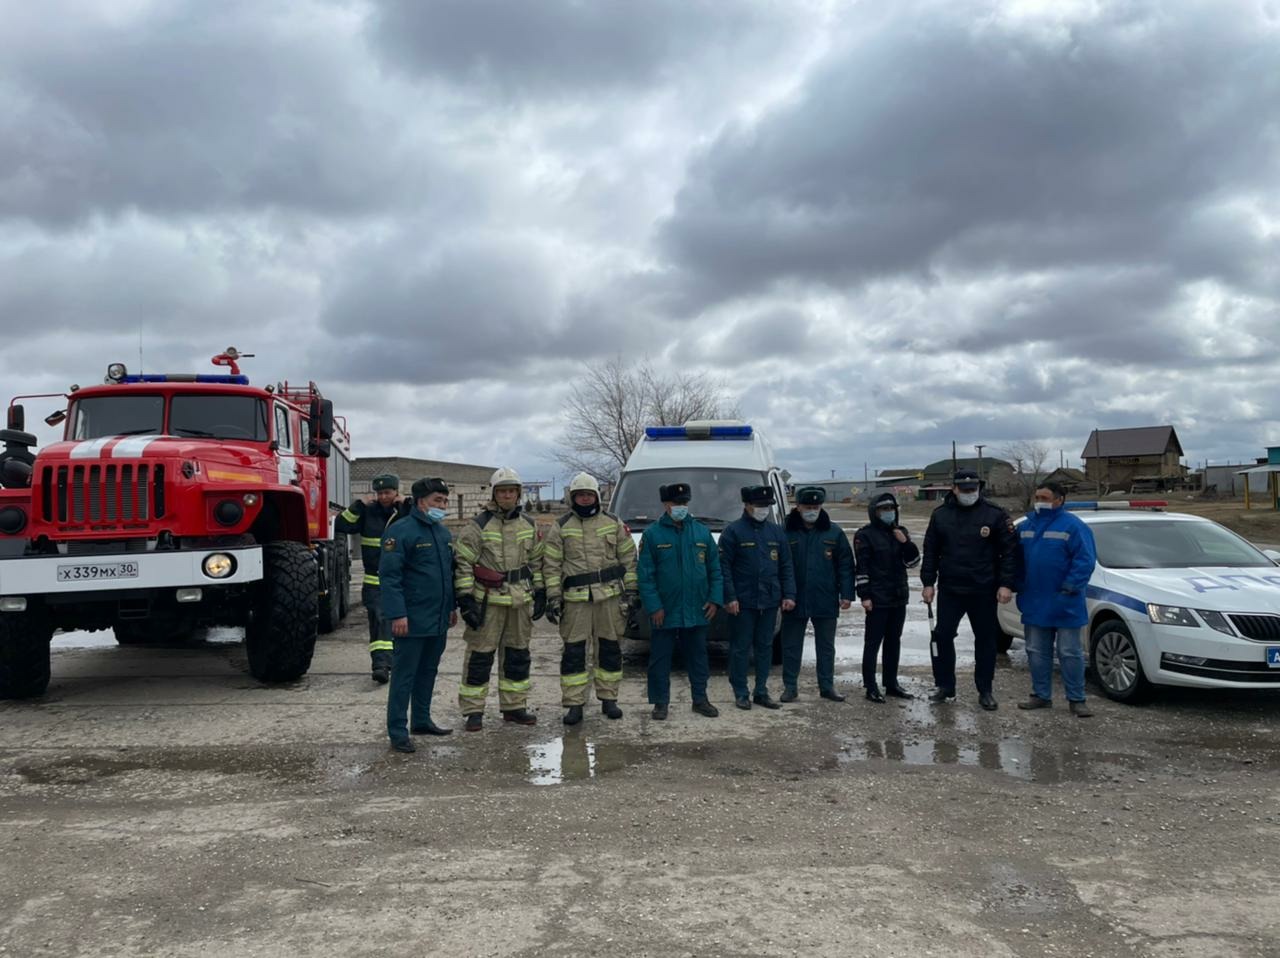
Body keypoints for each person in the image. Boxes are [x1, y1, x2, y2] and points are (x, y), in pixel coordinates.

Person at [453, 467, 546, 731]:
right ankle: (473, 711)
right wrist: (465, 599)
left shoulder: (529, 524)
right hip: (487, 602)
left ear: (518, 494)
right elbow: (463, 564)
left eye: (511, 491)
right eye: (502, 491)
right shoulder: (478, 525)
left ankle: (514, 707)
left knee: (518, 656)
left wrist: (540, 592)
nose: (507, 495)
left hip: (519, 602)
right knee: (480, 658)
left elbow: (537, 561)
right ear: (494, 494)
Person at [542, 472, 637, 725]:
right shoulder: (561, 527)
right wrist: (553, 597)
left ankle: (609, 699)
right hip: (575, 601)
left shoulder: (613, 523)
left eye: (589, 495)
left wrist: (631, 592)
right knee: (573, 653)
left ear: (597, 496)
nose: (585, 499)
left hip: (609, 598)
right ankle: (574, 704)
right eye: (580, 495)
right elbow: (551, 565)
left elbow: (629, 560)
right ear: (573, 498)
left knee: (609, 649)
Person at [920, 469, 1019, 711]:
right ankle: (945, 686)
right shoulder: (941, 515)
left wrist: (1006, 584)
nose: (968, 494)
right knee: (942, 636)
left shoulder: (995, 514)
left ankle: (985, 690)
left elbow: (1009, 552)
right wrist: (928, 583)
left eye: (972, 490)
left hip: (983, 588)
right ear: (954, 489)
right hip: (951, 589)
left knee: (985, 641)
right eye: (963, 490)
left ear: (979, 488)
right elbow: (931, 550)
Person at [379, 478, 457, 753]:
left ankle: (421, 720)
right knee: (404, 676)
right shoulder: (400, 532)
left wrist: (451, 608)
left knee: (428, 671)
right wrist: (397, 614)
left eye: (445, 501)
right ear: (421, 501)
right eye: (438, 500)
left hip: (437, 619)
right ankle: (397, 731)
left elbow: (449, 576)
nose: (442, 506)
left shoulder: (442, 533)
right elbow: (389, 577)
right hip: (410, 620)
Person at [636, 482, 723, 720]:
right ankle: (660, 703)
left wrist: (715, 599)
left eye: (684, 503)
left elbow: (715, 569)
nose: (681, 507)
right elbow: (645, 575)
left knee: (698, 657)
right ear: (666, 504)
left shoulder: (702, 532)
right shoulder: (653, 534)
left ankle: (700, 700)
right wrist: (654, 606)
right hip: (664, 610)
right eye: (676, 503)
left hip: (697, 608)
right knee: (660, 659)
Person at [1015, 481, 1098, 717]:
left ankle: (1076, 699)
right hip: (1034, 599)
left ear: (1059, 500)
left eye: (1045, 497)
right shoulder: (1026, 526)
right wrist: (1016, 585)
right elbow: (1015, 559)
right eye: (1037, 496)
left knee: (1069, 652)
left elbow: (1085, 560)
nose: (1040, 501)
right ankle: (1041, 695)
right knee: (1036, 651)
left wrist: (1069, 588)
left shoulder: (1073, 526)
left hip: (1065, 601)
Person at [720, 485, 796, 710]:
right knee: (740, 648)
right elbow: (724, 568)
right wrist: (729, 597)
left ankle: (761, 691)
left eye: (766, 506)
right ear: (747, 505)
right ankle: (741, 692)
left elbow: (786, 566)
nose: (763, 509)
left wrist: (789, 594)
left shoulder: (775, 532)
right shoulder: (733, 532)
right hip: (742, 602)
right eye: (759, 506)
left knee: (765, 647)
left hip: (770, 601)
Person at [781, 486, 855, 702]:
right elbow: (779, 566)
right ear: (798, 507)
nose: (812, 510)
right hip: (794, 598)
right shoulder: (786, 531)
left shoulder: (834, 532)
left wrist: (847, 593)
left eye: (816, 507)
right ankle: (790, 687)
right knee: (791, 646)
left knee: (825, 646)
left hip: (825, 597)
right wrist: (784, 594)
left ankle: (827, 686)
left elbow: (845, 565)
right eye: (808, 507)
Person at [334, 473, 406, 683]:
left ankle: (398, 663)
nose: (384, 496)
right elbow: (341, 525)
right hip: (374, 581)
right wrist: (358, 505)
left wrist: (407, 505)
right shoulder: (367, 511)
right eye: (380, 493)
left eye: (388, 492)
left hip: (402, 580)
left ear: (396, 492)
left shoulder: (404, 511)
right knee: (379, 621)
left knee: (401, 624)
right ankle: (381, 665)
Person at [854, 492, 920, 702]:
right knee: (873, 643)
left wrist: (905, 542)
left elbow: (913, 562)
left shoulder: (900, 532)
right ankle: (871, 686)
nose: (889, 513)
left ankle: (891, 683)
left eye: (892, 509)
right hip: (877, 598)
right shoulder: (865, 535)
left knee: (894, 641)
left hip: (898, 596)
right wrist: (864, 596)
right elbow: (861, 568)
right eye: (884, 509)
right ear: (875, 512)